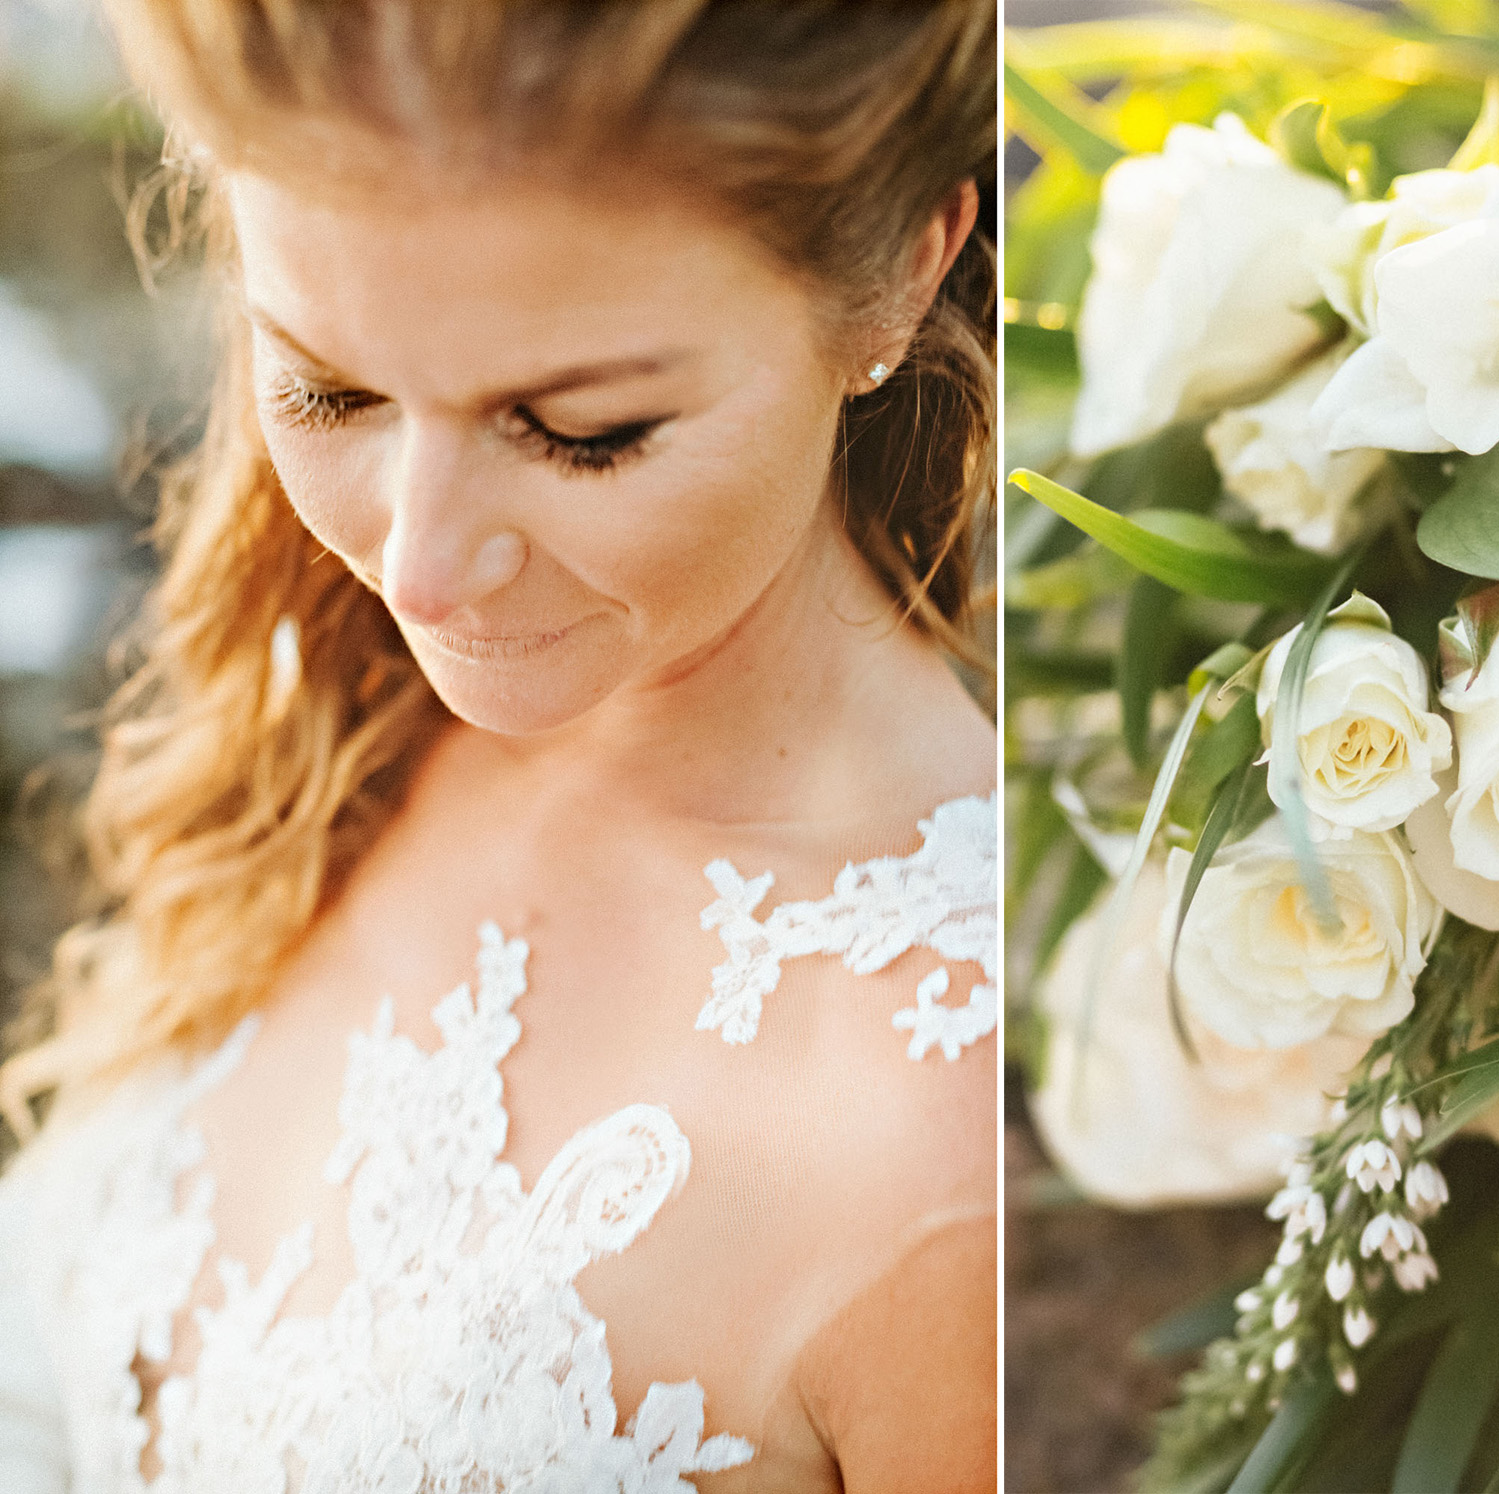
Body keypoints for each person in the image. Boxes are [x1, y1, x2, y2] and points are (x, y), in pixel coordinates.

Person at [0, 2, 999, 1489]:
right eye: (329, 388)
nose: (417, 572)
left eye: (579, 429)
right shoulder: (322, 683)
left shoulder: (956, 1158)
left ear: (902, 273)